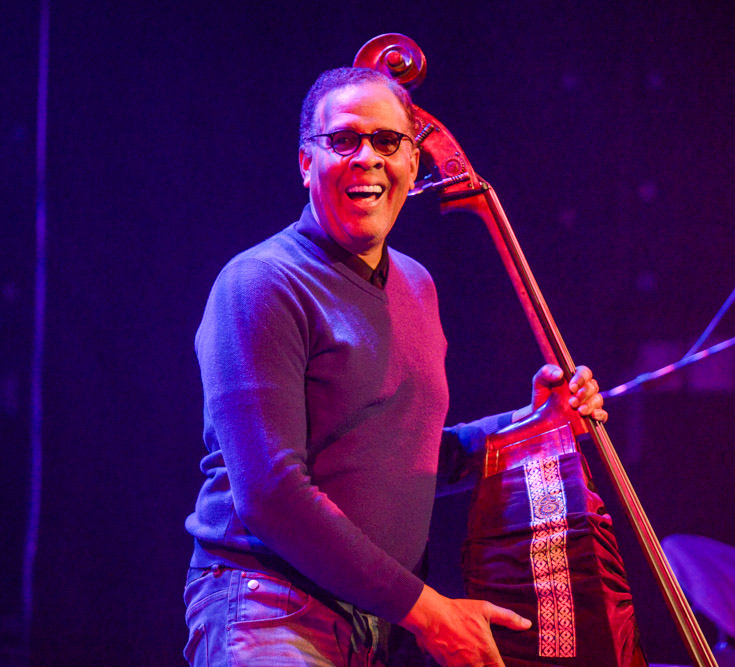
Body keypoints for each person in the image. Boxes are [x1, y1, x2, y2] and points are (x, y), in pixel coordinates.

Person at [182, 67, 607, 667]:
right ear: (306, 163)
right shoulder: (261, 283)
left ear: (413, 163)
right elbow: (272, 493)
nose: (368, 158)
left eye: (387, 142)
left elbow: (412, 457)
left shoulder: (417, 284)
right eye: (344, 140)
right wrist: (431, 612)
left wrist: (536, 422)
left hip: (377, 624)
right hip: (271, 608)